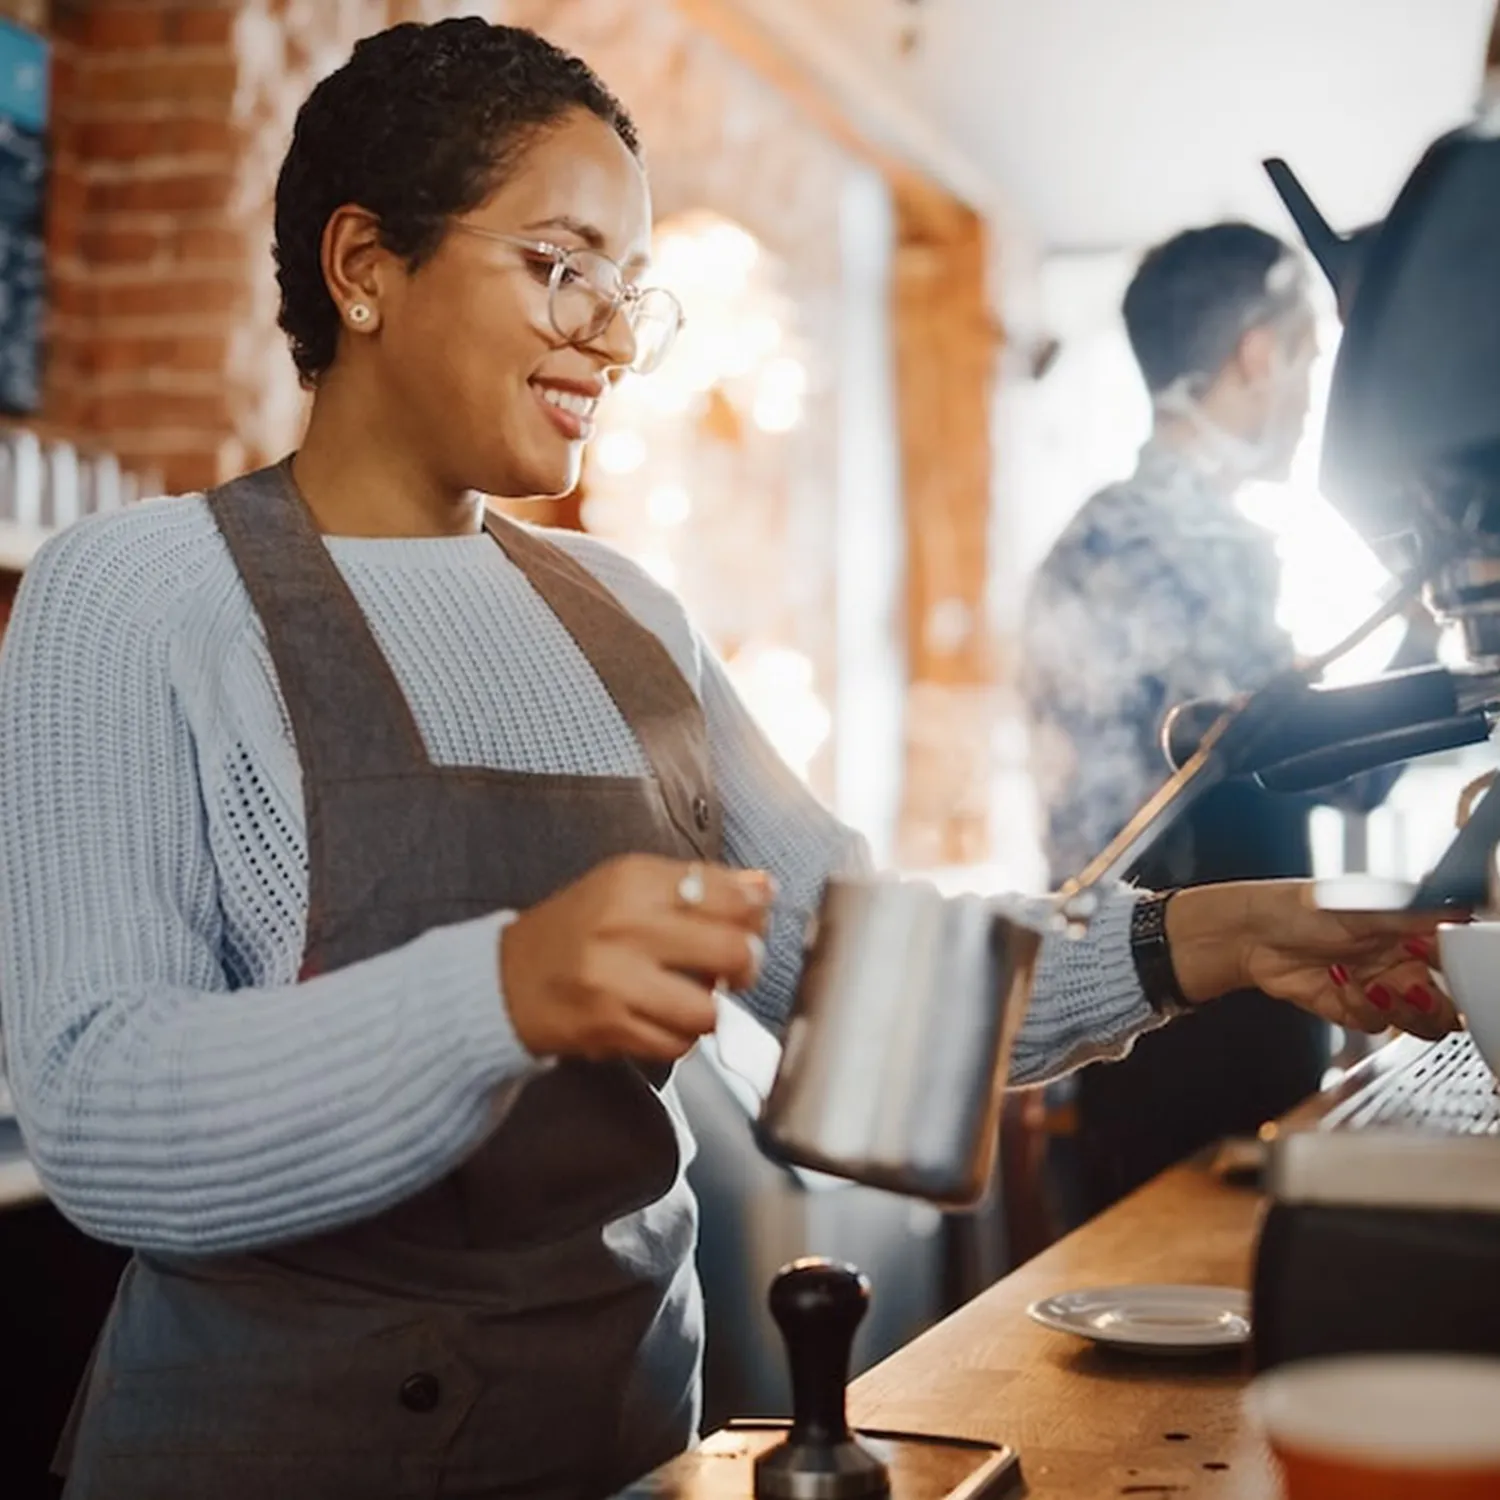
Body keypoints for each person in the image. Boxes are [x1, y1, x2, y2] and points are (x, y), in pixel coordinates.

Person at [0, 25, 1455, 1500]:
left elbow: (862, 964)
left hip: (624, 1449)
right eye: (562, 266)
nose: (614, 340)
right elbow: (101, 1113)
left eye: (629, 291)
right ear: (364, 263)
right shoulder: (137, 593)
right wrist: (503, 990)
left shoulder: (630, 617)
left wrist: (1214, 933)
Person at [1021, 223, 1435, 1223]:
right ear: (1260, 353)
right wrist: (1434, 619)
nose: (1306, 397)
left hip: (1128, 999)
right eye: (1305, 356)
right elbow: (1333, 770)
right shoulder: (1196, 541)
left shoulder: (1102, 529)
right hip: (1197, 1012)